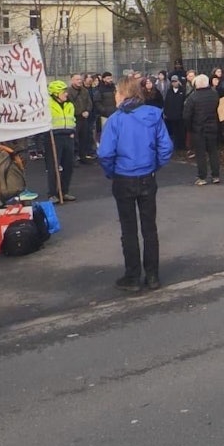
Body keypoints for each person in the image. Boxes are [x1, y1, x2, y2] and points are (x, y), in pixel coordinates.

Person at [98, 76, 173, 292]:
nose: (114, 96)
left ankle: (132, 276)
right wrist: (153, 165)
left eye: (116, 93)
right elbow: (166, 147)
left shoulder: (116, 119)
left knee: (128, 229)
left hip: (123, 177)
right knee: (150, 228)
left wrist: (111, 173)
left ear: (123, 94)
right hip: (147, 176)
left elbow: (105, 153)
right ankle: (152, 276)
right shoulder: (153, 115)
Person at [183, 74, 221, 186]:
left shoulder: (193, 97)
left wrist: (189, 128)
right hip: (213, 126)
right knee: (213, 152)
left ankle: (202, 177)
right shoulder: (214, 94)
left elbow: (186, 115)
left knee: (201, 154)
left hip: (198, 128)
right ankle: (215, 175)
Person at [43, 80, 76, 202]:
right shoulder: (48, 105)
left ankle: (64, 191)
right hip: (53, 137)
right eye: (63, 92)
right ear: (56, 93)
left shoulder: (69, 104)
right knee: (53, 167)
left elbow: (72, 120)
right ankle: (52, 194)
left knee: (69, 165)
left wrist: (73, 132)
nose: (66, 94)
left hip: (68, 136)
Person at [67, 74, 94, 161]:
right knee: (74, 138)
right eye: (77, 79)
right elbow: (69, 105)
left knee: (84, 137)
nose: (79, 81)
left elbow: (89, 102)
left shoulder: (84, 91)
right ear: (72, 80)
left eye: (80, 79)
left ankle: (83, 155)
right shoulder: (68, 91)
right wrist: (79, 112)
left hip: (84, 118)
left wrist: (87, 111)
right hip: (74, 118)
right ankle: (74, 156)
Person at [162, 74, 187, 152]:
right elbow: (166, 103)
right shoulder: (169, 92)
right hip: (171, 117)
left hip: (180, 116)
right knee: (173, 133)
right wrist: (166, 113)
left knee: (181, 132)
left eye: (175, 81)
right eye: (172, 82)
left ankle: (181, 147)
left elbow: (184, 103)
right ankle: (174, 147)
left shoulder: (182, 91)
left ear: (178, 82)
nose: (174, 83)